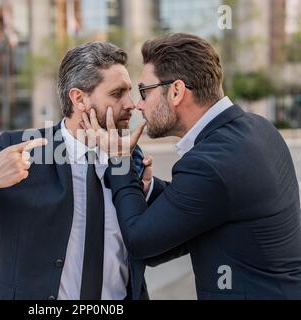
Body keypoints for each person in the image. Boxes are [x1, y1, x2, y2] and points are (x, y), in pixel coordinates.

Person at [0, 41, 179, 300]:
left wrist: (148, 190)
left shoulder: (129, 158)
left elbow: (162, 234)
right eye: (117, 93)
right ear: (79, 98)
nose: (131, 104)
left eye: (130, 92)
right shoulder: (23, 150)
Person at [82, 33, 301, 299]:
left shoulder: (209, 163)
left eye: (144, 92)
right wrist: (149, 188)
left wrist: (119, 160)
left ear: (176, 91)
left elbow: (141, 242)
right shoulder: (258, 128)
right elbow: (203, 208)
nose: (138, 105)